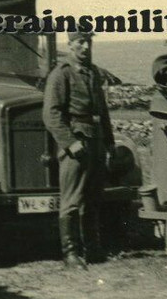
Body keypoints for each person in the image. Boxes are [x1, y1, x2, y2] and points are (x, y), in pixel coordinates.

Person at [42, 29, 115, 269]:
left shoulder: (93, 73)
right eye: (81, 42)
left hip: (95, 142)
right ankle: (70, 253)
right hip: (75, 143)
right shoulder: (61, 75)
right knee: (71, 200)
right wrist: (69, 143)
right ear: (71, 45)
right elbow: (51, 115)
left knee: (93, 198)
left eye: (89, 42)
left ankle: (92, 249)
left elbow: (102, 113)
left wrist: (110, 145)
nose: (86, 47)